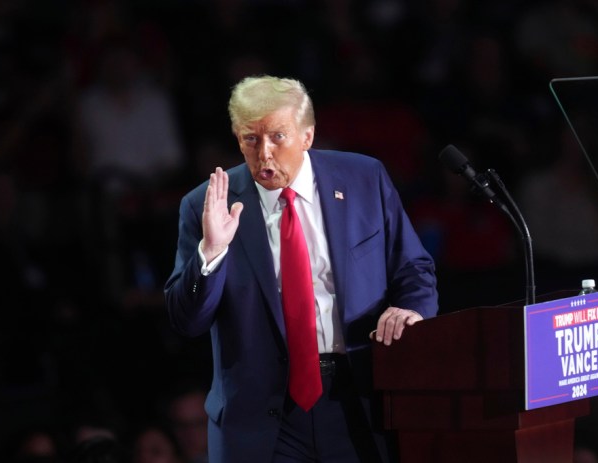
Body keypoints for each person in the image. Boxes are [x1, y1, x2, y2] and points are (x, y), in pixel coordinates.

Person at [164, 75, 438, 462]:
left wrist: (411, 309)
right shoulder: (206, 205)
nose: (265, 155)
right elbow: (186, 321)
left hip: (357, 398)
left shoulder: (363, 179)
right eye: (250, 139)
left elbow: (413, 267)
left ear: (307, 135)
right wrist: (211, 253)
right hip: (261, 418)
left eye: (278, 137)